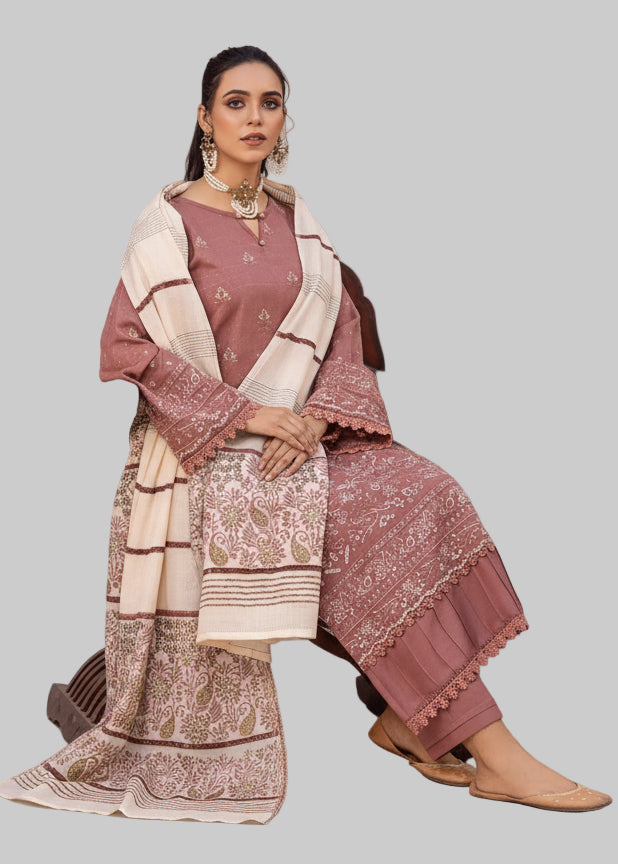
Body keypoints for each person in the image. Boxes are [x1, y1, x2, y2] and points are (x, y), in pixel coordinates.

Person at [0, 45, 610, 822]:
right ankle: (490, 751)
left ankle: (409, 718)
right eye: (236, 102)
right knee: (353, 530)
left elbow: (344, 333)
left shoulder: (298, 220)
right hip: (203, 449)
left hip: (309, 433)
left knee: (422, 490)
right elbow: (126, 347)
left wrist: (315, 417)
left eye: (271, 103)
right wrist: (249, 416)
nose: (255, 117)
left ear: (284, 120)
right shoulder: (166, 223)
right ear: (204, 119)